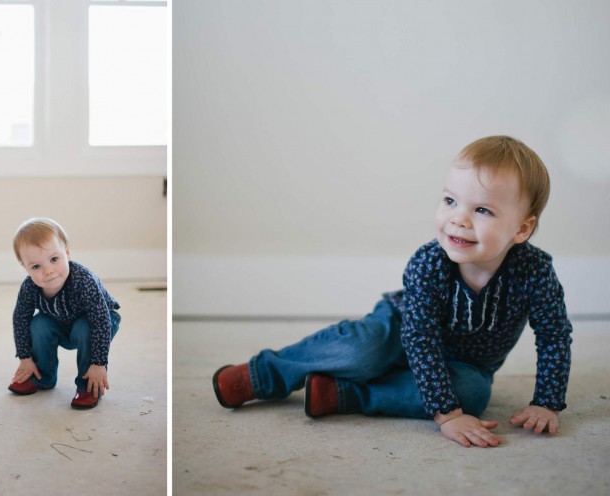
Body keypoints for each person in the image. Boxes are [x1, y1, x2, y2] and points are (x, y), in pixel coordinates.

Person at [212, 136, 572, 448]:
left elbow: (554, 336)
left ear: (522, 229)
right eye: (450, 201)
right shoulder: (430, 262)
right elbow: (419, 336)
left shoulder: (534, 272)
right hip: (401, 330)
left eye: (481, 210)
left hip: (465, 362)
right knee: (363, 349)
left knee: (474, 394)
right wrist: (446, 415)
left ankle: (347, 395)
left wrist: (547, 402)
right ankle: (267, 373)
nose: (458, 219)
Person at [9, 218, 121, 409]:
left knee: (84, 326)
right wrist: (25, 358)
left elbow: (100, 320)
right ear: (25, 267)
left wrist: (99, 363)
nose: (48, 271)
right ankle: (42, 375)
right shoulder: (29, 287)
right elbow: (20, 319)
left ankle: (88, 386)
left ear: (67, 253)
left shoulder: (83, 281)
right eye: (36, 266)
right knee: (38, 323)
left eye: (54, 259)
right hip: (60, 322)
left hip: (99, 322)